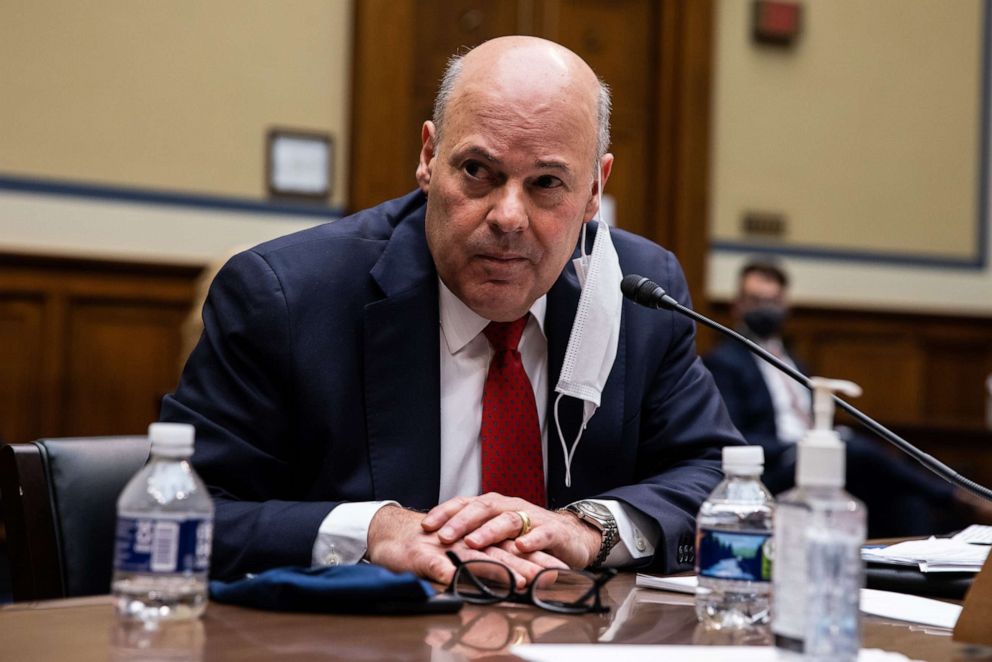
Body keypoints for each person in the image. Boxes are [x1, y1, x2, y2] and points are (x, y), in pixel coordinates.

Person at [161, 36, 744, 586]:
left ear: (595, 189)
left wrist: (587, 527)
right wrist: (372, 531)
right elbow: (181, 509)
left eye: (546, 183)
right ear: (428, 156)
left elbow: (718, 476)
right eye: (476, 171)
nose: (508, 217)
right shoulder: (285, 297)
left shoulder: (636, 294)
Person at [704, 260, 981, 536]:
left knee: (903, 498)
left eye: (773, 300)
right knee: (851, 447)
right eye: (756, 300)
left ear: (786, 305)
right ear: (737, 305)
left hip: (817, 463)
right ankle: (956, 497)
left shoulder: (795, 362)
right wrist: (800, 445)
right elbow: (737, 435)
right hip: (774, 469)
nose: (765, 308)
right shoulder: (725, 362)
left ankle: (919, 564)